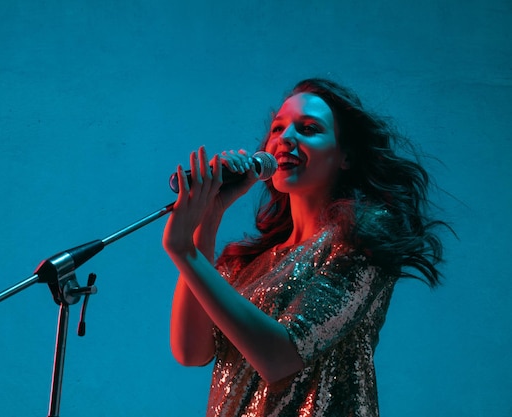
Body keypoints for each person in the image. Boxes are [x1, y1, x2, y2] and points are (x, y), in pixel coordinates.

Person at [162, 78, 450, 416]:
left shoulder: (358, 242)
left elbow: (280, 357)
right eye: (277, 129)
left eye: (309, 128)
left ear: (345, 156)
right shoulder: (249, 262)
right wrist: (207, 223)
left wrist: (184, 252)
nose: (285, 138)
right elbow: (191, 351)